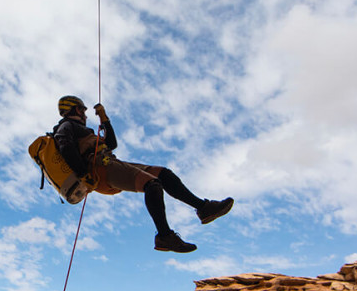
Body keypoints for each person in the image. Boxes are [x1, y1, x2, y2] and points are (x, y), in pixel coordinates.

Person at [53, 95, 233, 253]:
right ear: (76, 109)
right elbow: (65, 145)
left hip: (109, 161)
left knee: (163, 174)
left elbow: (112, 144)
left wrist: (104, 117)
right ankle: (164, 236)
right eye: (83, 110)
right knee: (152, 184)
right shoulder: (67, 126)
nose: (85, 114)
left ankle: (203, 208)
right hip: (99, 167)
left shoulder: (82, 130)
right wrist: (84, 173)